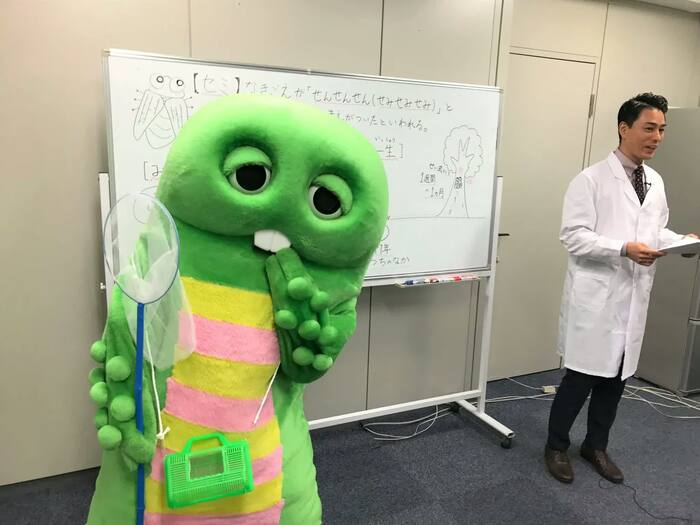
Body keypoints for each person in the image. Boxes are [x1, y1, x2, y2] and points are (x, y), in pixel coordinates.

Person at [544, 92, 698, 484]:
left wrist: (679, 241)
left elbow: (653, 230)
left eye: (662, 129)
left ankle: (595, 446)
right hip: (597, 299)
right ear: (624, 128)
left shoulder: (655, 181)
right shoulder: (590, 179)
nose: (657, 137)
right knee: (580, 379)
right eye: (649, 128)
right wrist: (623, 249)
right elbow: (573, 236)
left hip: (632, 300)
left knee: (616, 381)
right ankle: (556, 446)